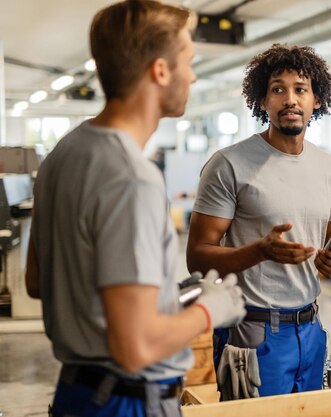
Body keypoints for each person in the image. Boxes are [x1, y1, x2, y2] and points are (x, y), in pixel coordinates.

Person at [24, 1, 246, 416]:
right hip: (126, 401)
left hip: (78, 392)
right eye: (189, 61)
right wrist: (209, 310)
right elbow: (136, 347)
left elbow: (40, 282)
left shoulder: (63, 154)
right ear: (160, 71)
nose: (194, 75)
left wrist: (161, 300)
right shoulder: (132, 177)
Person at [186, 43, 331, 397]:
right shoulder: (229, 164)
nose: (290, 99)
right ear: (263, 101)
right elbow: (197, 256)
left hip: (310, 329)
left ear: (316, 100)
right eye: (278, 89)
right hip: (254, 332)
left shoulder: (327, 166)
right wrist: (261, 251)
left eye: (300, 89)